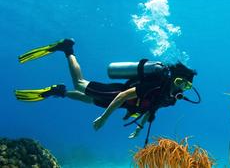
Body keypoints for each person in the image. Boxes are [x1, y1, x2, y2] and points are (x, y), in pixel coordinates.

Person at [15, 38, 200, 143]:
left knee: (87, 99)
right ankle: (67, 49)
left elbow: (153, 109)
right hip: (117, 95)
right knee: (80, 84)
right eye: (179, 82)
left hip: (123, 105)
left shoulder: (170, 99)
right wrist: (104, 118)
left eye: (186, 86)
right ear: (173, 78)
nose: (180, 88)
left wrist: (139, 127)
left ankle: (59, 91)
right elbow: (123, 95)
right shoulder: (157, 84)